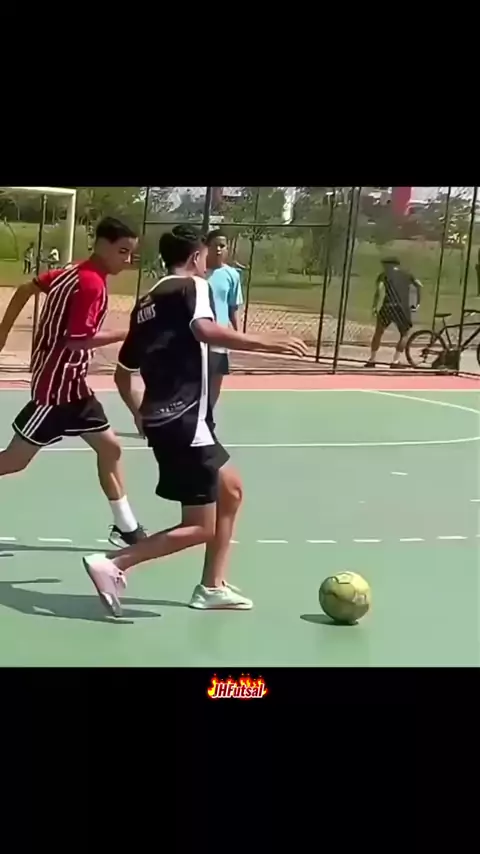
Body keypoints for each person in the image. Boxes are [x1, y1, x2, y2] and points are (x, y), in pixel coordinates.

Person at [82, 224, 307, 617]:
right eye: (205, 256)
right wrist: (266, 343)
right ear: (195, 257)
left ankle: (212, 586)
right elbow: (203, 330)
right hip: (186, 419)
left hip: (169, 419)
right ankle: (114, 564)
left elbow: (123, 373)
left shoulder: (146, 302)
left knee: (230, 491)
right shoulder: (193, 286)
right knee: (201, 525)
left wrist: (143, 414)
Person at [0, 216, 146, 547]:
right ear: (103, 245)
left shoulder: (70, 271)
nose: (127, 260)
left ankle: (127, 528)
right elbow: (78, 341)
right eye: (122, 251)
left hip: (75, 387)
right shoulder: (91, 283)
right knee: (14, 461)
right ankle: (128, 529)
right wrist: (131, 333)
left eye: (130, 253)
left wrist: (4, 330)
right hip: (56, 390)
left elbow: (25, 288)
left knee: (110, 448)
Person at [205, 229, 244, 407]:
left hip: (219, 337)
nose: (219, 249)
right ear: (207, 248)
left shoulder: (232, 275)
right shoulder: (197, 272)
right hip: (197, 335)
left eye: (222, 246)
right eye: (215, 246)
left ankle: (208, 416)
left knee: (215, 380)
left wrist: (238, 334)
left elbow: (233, 307)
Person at [365, 257, 422, 368]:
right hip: (402, 308)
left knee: (379, 332)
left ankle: (372, 359)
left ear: (390, 265)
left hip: (388, 306)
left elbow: (379, 290)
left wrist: (375, 306)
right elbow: (419, 285)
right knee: (404, 334)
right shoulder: (407, 275)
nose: (384, 267)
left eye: (385, 265)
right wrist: (418, 302)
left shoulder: (383, 275)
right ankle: (395, 361)